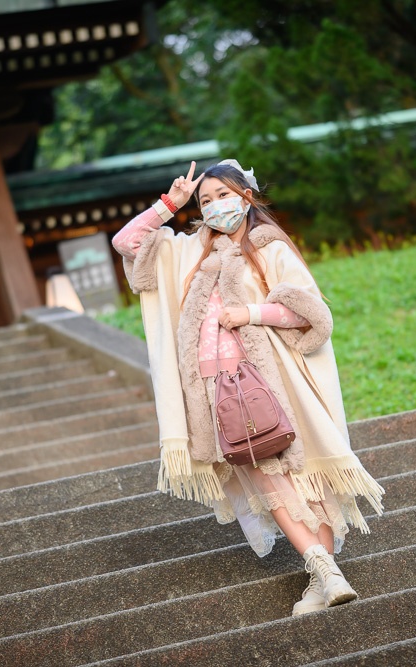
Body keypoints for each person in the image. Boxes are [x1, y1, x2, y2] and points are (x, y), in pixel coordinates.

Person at [112, 159, 385, 615]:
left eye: (223, 195)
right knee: (264, 476)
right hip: (218, 391)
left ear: (246, 196)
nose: (215, 205)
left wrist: (250, 314)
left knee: (304, 476)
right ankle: (326, 575)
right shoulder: (192, 252)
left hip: (275, 381)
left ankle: (324, 576)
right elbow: (127, 242)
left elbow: (310, 313)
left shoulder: (270, 249)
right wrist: (170, 204)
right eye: (206, 200)